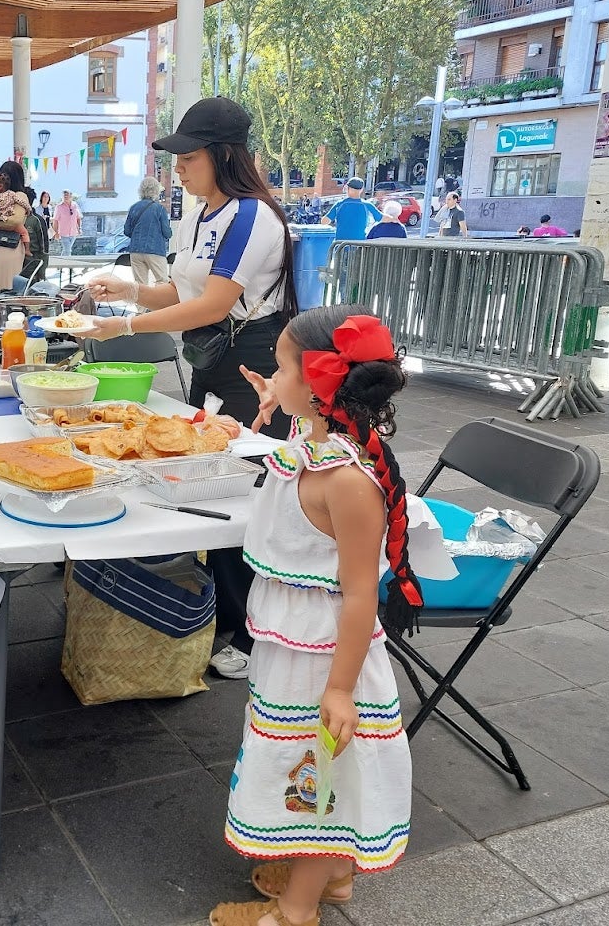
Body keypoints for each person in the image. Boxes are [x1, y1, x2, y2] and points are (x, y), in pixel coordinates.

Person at [208, 305, 415, 926]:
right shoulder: (313, 441)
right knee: (309, 762)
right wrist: (279, 395)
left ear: (321, 384)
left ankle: (295, 911)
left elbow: (359, 595)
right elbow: (303, 431)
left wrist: (343, 689)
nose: (272, 375)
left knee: (318, 773)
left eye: (281, 366)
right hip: (295, 643)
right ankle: (333, 877)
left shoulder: (347, 482)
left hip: (323, 654)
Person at [79, 96, 297, 683]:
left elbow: (216, 302)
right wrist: (123, 292)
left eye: (189, 156)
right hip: (211, 358)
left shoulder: (253, 216)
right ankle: (230, 611)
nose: (179, 168)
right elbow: (178, 293)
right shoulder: (200, 214)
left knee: (250, 492)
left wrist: (123, 326)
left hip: (251, 364)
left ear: (223, 156)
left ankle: (258, 632)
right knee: (212, 479)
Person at [0, 162, 31, 293]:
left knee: (6, 287)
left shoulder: (19, 195)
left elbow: (15, 221)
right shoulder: (1, 196)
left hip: (9, 247)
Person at [124, 176, 174, 284]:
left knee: (140, 284)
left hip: (135, 251)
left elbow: (127, 231)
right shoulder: (159, 209)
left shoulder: (133, 208)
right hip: (155, 250)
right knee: (162, 281)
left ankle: (142, 302)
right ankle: (160, 301)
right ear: (156, 190)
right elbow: (167, 233)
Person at [52, 189, 82, 256]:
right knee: (68, 251)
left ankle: (61, 264)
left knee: (66, 250)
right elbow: (55, 220)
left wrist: (79, 228)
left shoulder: (75, 205)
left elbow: (78, 218)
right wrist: (55, 232)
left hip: (73, 233)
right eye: (64, 196)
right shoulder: (59, 207)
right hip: (63, 233)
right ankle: (70, 265)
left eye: (67, 195)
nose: (66, 197)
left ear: (71, 196)